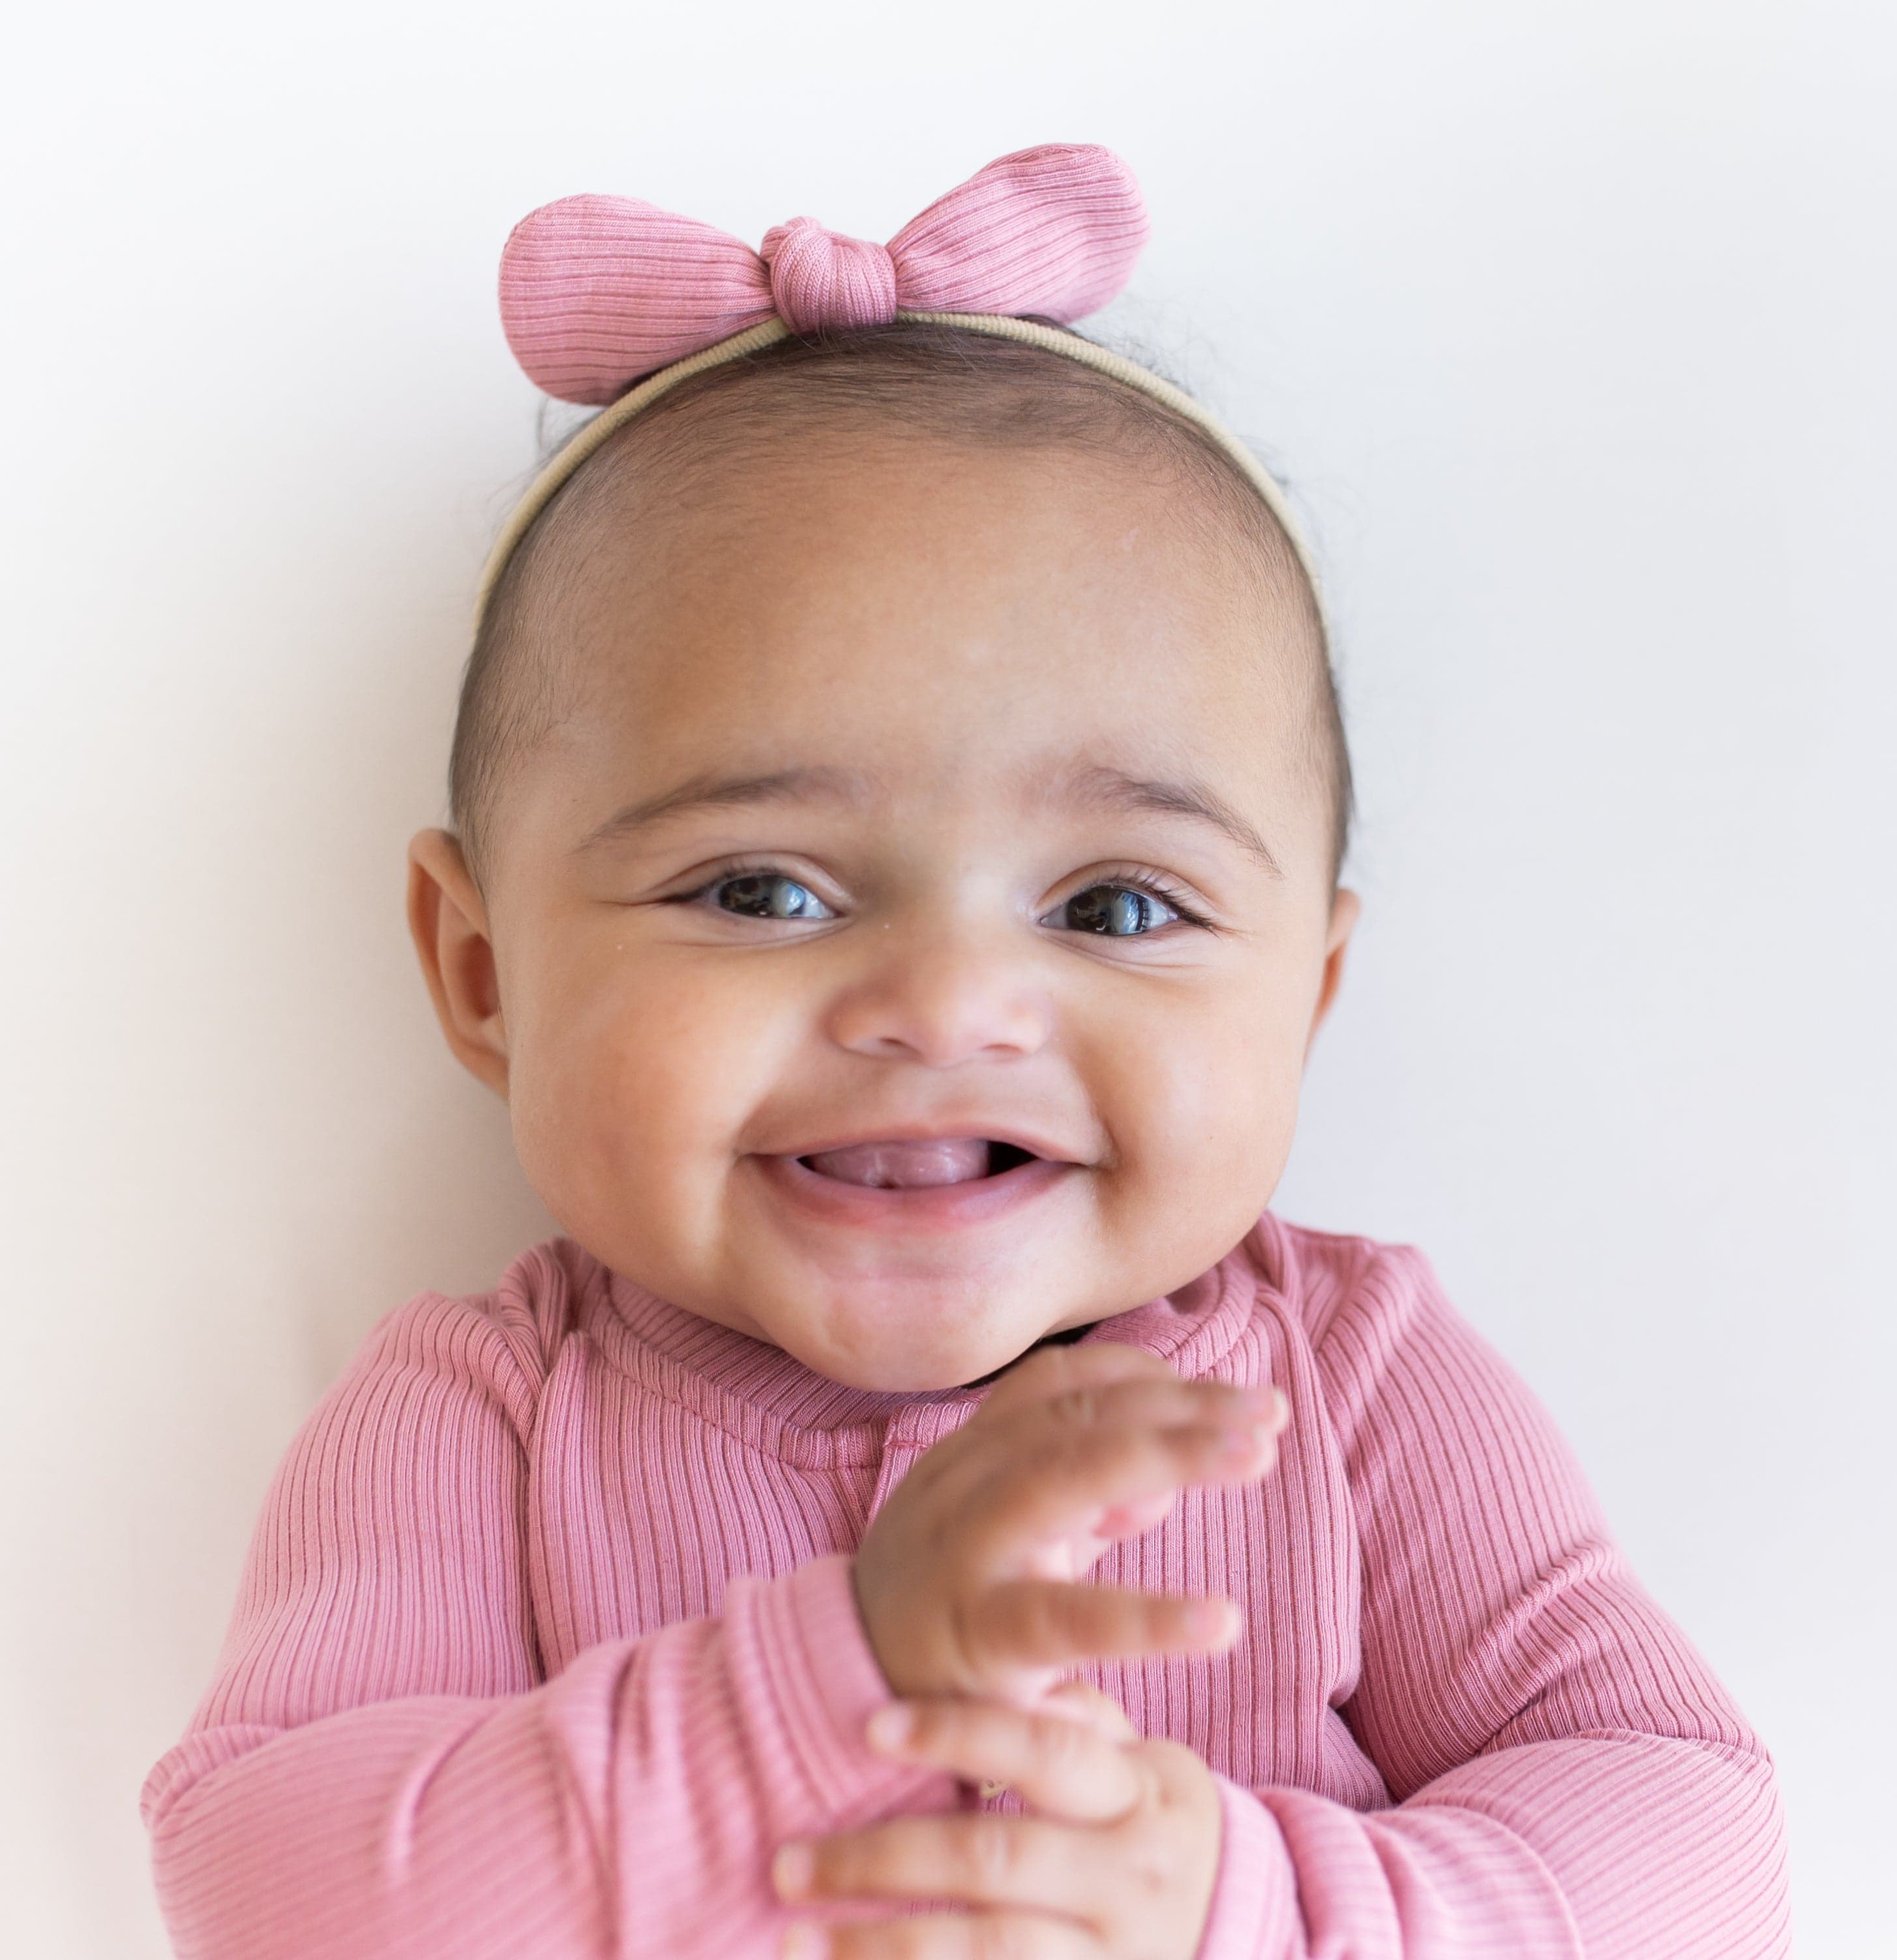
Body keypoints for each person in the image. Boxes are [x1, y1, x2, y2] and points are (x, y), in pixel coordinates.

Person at [139, 144, 1789, 1959]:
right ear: (482, 976)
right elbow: (267, 1882)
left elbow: (1696, 1840)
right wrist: (836, 1670)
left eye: (1117, 908)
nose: (943, 1003)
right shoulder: (481, 1425)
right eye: (761, 888)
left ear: (1306, 998)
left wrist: (1266, 1907)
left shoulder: (1349, 1389)